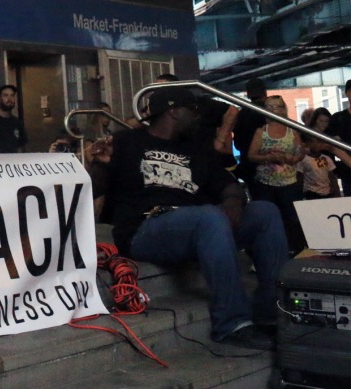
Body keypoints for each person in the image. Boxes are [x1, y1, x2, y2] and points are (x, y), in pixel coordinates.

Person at [87, 89, 287, 351]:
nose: (198, 118)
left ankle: (272, 314)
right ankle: (233, 322)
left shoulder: (195, 150)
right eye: (194, 111)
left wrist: (233, 202)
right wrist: (99, 164)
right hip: (146, 228)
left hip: (200, 225)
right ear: (174, 111)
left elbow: (228, 185)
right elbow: (93, 189)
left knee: (265, 212)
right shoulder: (127, 141)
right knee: (209, 216)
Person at [247, 95, 305, 253]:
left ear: (283, 109)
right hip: (265, 183)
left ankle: (296, 250)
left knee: (292, 219)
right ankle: (266, 250)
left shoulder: (292, 130)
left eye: (276, 106)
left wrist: (294, 157)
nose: (272, 110)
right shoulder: (261, 131)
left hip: (289, 182)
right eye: (269, 107)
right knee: (266, 218)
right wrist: (268, 158)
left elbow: (300, 152)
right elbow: (251, 155)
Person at [231, 78, 268, 184]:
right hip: (273, 164)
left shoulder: (242, 114)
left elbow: (238, 144)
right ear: (264, 91)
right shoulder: (272, 113)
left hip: (249, 165)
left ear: (248, 94)